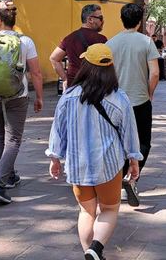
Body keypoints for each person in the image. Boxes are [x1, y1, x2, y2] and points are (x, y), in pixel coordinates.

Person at [46, 43, 142, 260]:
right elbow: (129, 133)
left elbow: (58, 130)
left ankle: (89, 252)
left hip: (77, 165)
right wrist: (133, 159)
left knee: (86, 212)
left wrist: (55, 158)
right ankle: (96, 248)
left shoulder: (69, 96)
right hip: (108, 165)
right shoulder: (119, 98)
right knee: (109, 210)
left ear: (86, 65)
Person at [0, 6, 43, 205]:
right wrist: (39, 97)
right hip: (18, 95)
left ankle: (10, 176)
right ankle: (0, 185)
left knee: (2, 136)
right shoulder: (25, 41)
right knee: (13, 139)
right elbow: (36, 72)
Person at [107, 3, 160, 207]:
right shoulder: (147, 42)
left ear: (122, 19)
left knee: (118, 142)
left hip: (115, 100)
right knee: (143, 141)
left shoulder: (111, 43)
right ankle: (132, 177)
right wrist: (150, 93)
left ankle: (120, 179)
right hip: (139, 100)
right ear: (140, 21)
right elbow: (154, 73)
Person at [49, 4, 107, 92]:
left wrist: (65, 79)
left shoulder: (69, 38)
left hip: (73, 86)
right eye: (101, 18)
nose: (103, 21)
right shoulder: (100, 39)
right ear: (90, 19)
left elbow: (53, 58)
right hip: (92, 86)